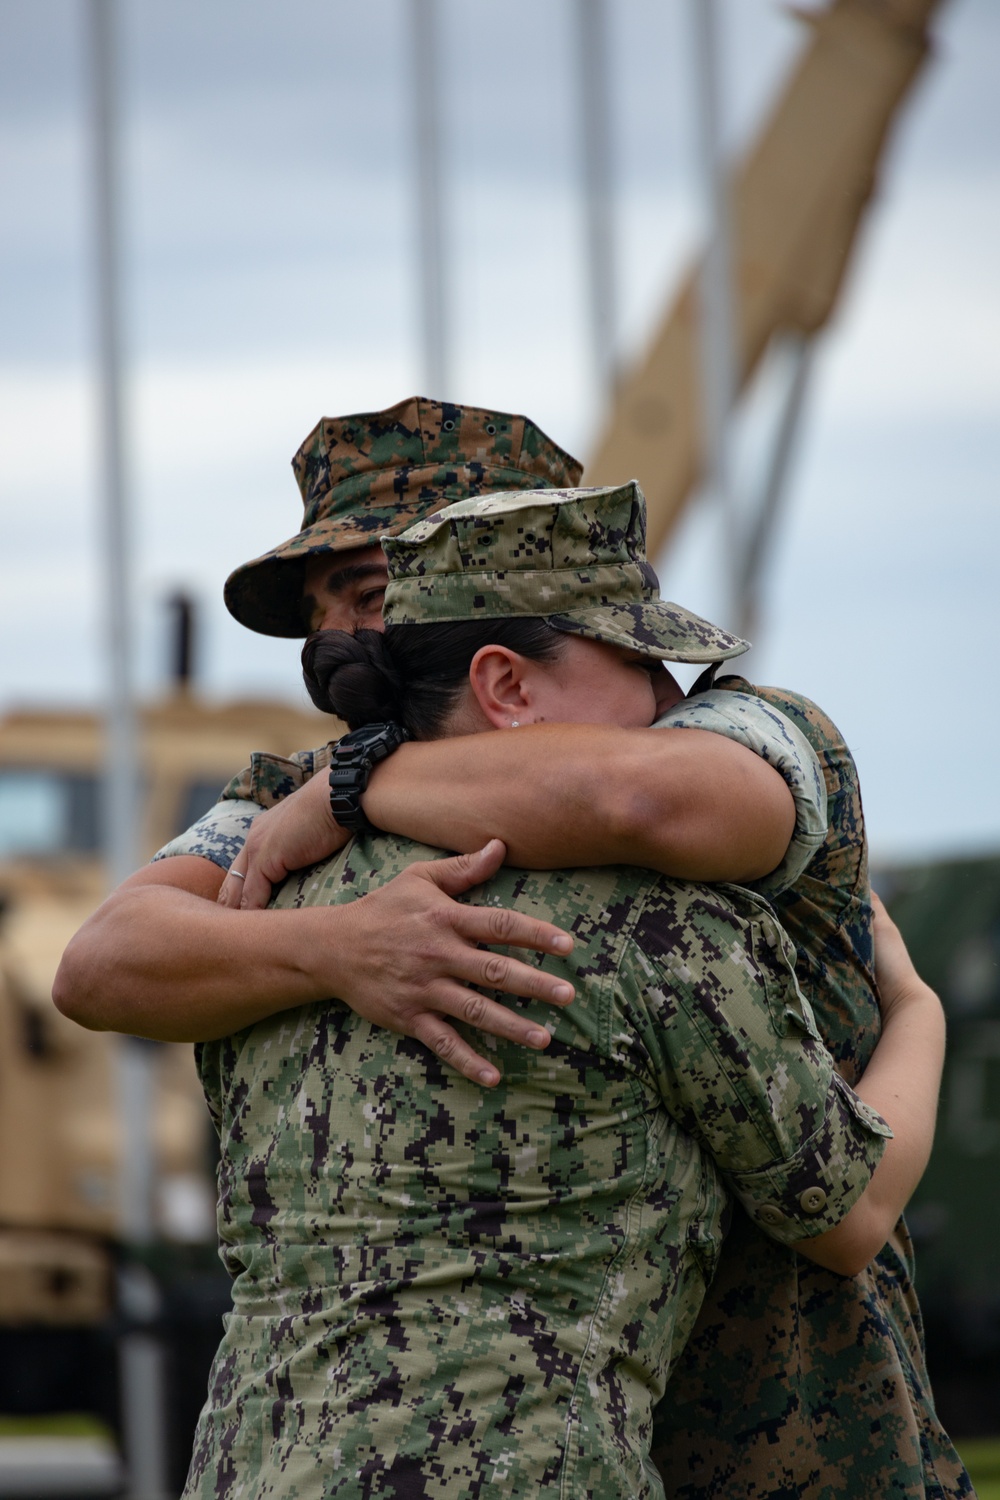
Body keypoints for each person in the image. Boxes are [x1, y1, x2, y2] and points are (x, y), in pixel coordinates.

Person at [54, 398, 971, 1497]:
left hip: (785, 1422)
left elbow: (639, 800)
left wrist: (353, 791)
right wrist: (338, 946)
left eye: (380, 592)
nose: (348, 644)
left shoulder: (736, 729)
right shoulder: (298, 818)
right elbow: (103, 962)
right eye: (329, 610)